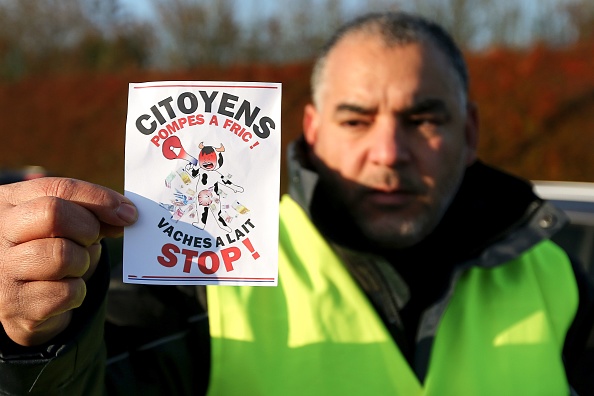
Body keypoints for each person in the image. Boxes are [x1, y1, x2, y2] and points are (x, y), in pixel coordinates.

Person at [0, 11, 592, 396]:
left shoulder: (560, 274)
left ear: (471, 133)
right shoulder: (203, 275)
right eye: (356, 119)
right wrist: (35, 340)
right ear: (310, 130)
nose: (389, 151)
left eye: (424, 119)